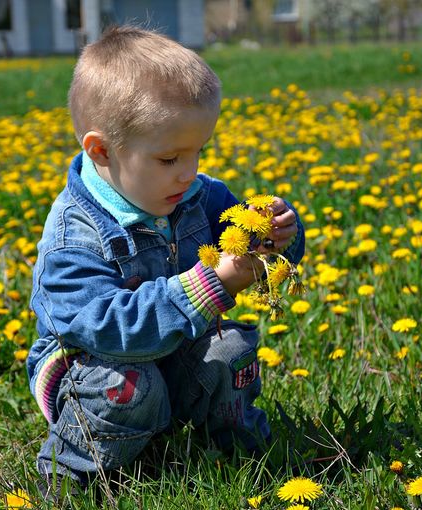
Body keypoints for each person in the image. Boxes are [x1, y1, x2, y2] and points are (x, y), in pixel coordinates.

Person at [26, 25, 305, 498]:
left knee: (230, 350)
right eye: (170, 157)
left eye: (199, 152)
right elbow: (110, 330)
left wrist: (277, 240)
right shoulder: (73, 239)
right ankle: (72, 473)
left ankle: (240, 456)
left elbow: (253, 252)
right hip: (94, 367)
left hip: (175, 349)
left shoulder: (197, 196)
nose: (190, 171)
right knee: (131, 387)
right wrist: (212, 284)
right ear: (101, 151)